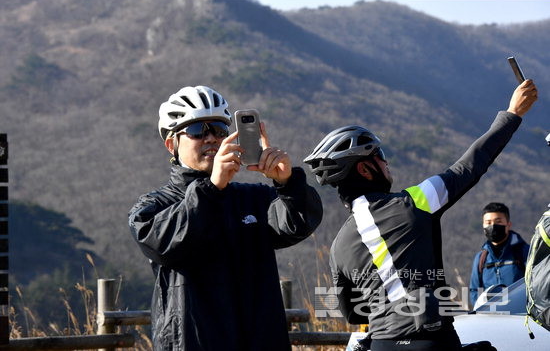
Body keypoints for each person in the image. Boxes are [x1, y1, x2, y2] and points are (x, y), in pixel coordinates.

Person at [303, 80, 538, 351]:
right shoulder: (415, 201)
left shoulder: (337, 246)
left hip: (381, 344)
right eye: (379, 155)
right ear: (365, 170)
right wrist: (512, 114)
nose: (386, 161)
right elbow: (470, 166)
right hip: (430, 340)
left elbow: (353, 313)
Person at [128, 85, 323, 351]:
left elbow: (299, 223)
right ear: (171, 144)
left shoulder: (254, 199)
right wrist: (212, 188)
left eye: (219, 130)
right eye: (197, 130)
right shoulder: (153, 207)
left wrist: (288, 184)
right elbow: (164, 244)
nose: (210, 138)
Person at [469, 202, 530, 306]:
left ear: (508, 224)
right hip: (490, 317)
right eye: (488, 222)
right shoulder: (481, 258)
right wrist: (481, 309)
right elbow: (474, 290)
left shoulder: (525, 252)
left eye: (498, 221)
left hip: (519, 317)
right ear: (483, 226)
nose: (493, 226)